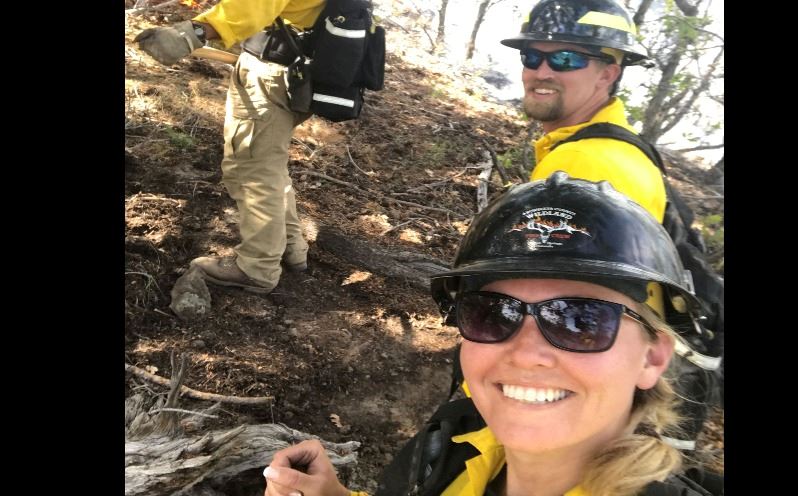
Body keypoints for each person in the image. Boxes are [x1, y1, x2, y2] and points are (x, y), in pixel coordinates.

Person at [259, 173, 720, 496]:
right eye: (493, 313)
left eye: (580, 319)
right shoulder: (458, 443)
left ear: (652, 358)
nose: (525, 352)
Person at [499, 0, 723, 453]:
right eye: (531, 56)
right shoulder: (620, 151)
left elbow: (551, 317)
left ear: (608, 72)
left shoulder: (584, 162)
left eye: (565, 58)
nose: (541, 70)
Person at [135, 0, 327, 293]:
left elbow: (254, 5)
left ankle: (257, 268)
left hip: (273, 74)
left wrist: (189, 33)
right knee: (268, 163)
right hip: (301, 73)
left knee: (252, 167)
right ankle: (290, 245)